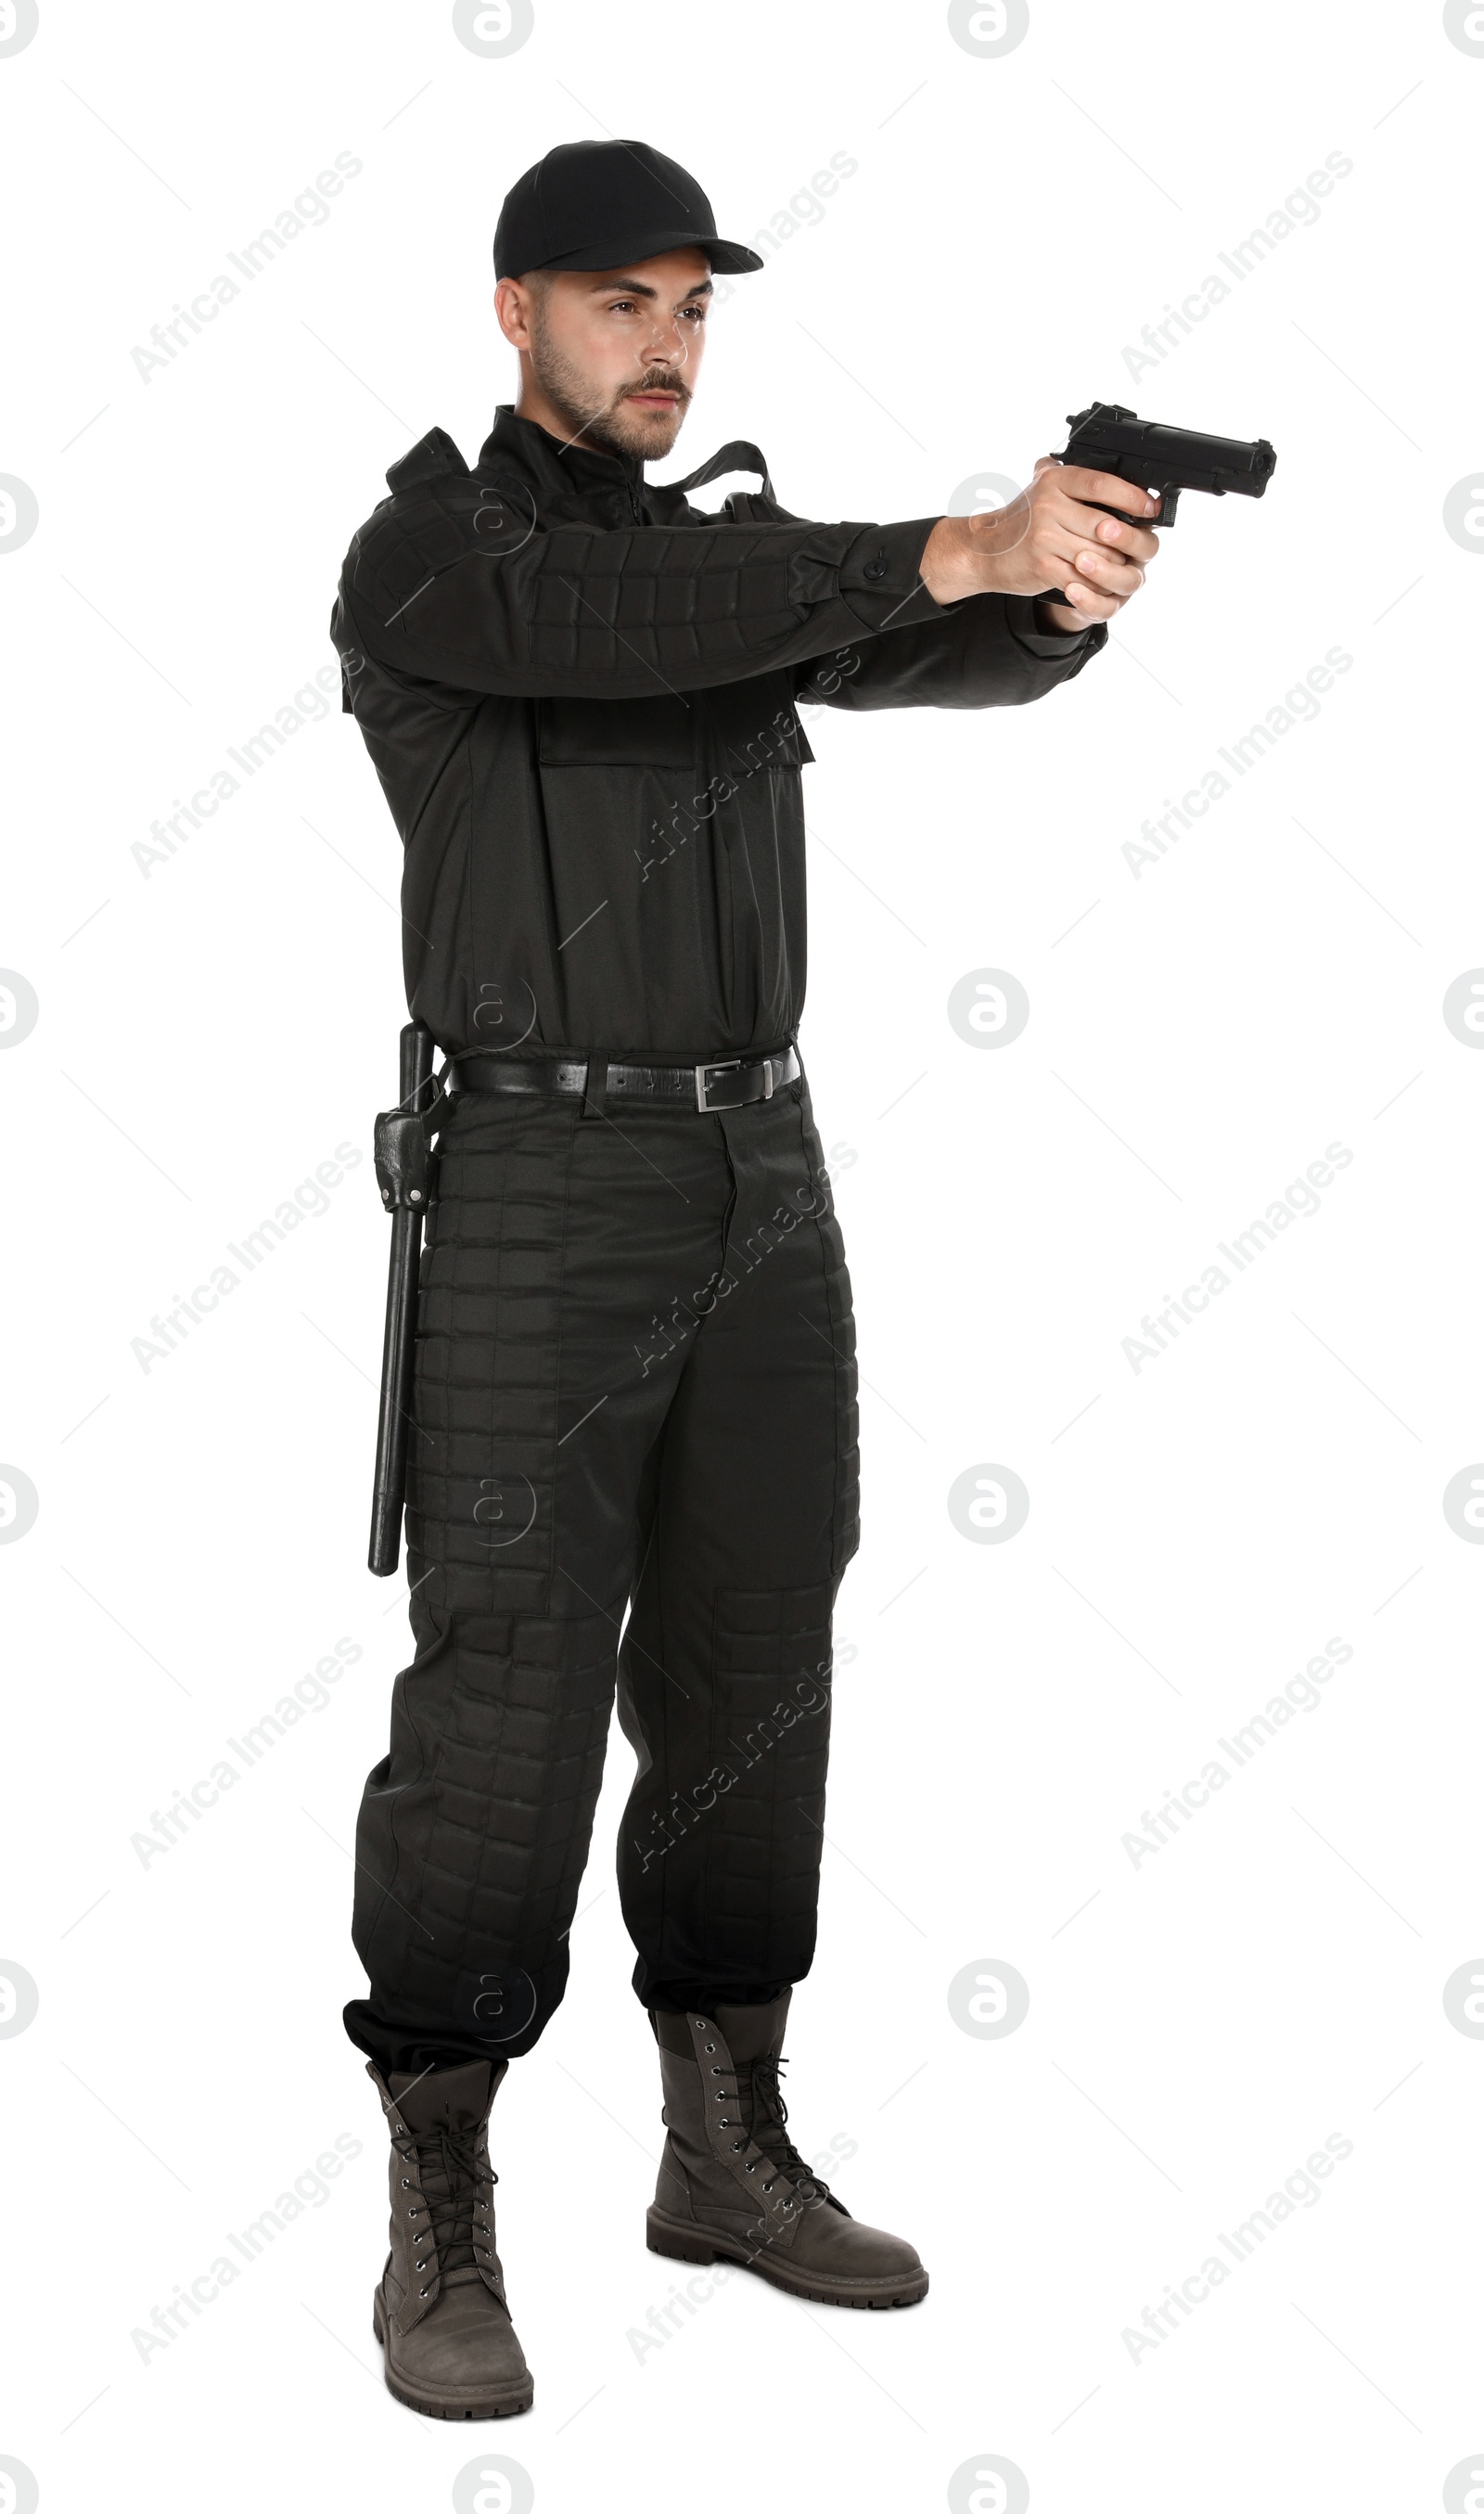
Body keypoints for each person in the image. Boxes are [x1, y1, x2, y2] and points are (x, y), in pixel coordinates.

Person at [330, 135, 1156, 2421]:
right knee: (502, 1700)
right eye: (619, 302)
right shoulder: (433, 556)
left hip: (754, 1174)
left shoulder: (726, 569)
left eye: (690, 304)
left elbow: (924, 645)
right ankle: (440, 2198)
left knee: (747, 1659)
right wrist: (932, 542)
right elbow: (638, 625)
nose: (666, 341)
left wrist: (1054, 586)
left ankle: (721, 2139)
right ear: (515, 315)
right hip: (529, 1184)